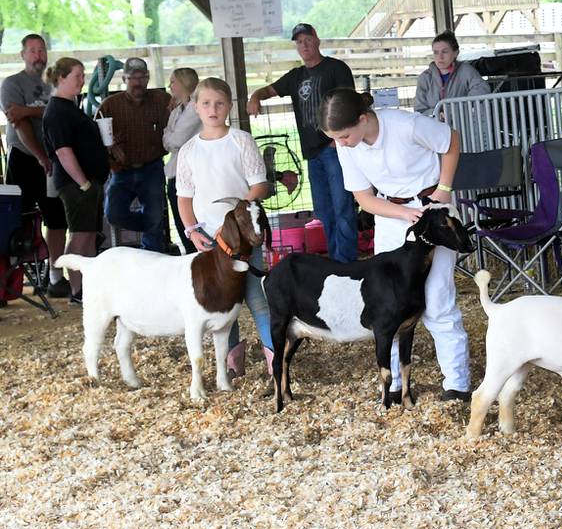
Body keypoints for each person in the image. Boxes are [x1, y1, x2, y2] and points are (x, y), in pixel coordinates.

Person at [322, 88, 471, 403]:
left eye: (344, 135)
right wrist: (402, 213)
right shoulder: (345, 146)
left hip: (433, 211)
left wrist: (443, 191)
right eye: (335, 137)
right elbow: (364, 198)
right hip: (392, 217)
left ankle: (457, 384)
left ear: (363, 119)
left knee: (437, 299)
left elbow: (451, 141)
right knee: (387, 303)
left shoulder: (404, 125)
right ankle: (390, 385)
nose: (340, 142)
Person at [175, 77, 273, 378]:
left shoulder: (240, 140)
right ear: (195, 107)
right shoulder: (188, 150)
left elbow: (260, 185)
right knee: (222, 303)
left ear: (229, 106)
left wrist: (241, 213)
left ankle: (275, 361)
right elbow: (184, 198)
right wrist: (192, 230)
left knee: (257, 297)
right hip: (212, 241)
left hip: (243, 238)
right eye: (205, 103)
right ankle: (231, 364)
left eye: (219, 103)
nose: (212, 109)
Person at [247, 23, 358, 264]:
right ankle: (335, 259)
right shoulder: (296, 76)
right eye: (299, 42)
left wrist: (337, 138)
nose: (304, 45)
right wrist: (255, 96)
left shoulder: (336, 68)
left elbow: (349, 103)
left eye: (307, 39)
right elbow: (269, 89)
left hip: (334, 148)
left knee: (342, 207)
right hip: (312, 152)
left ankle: (345, 261)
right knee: (324, 211)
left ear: (317, 40)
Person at [1, 33, 69, 297]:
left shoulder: (56, 82)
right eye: (32, 50)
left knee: (56, 217)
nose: (38, 55)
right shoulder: (12, 83)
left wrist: (29, 109)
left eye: (41, 50)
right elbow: (18, 122)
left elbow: (64, 111)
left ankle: (55, 276)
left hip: (54, 159)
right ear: (22, 55)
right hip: (24, 158)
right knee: (16, 220)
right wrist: (40, 156)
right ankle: (9, 282)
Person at [41, 58, 109, 304]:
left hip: (87, 181)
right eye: (77, 76)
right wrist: (83, 183)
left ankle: (86, 289)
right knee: (80, 236)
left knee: (89, 235)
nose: (83, 80)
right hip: (76, 184)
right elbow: (63, 151)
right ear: (61, 78)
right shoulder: (57, 110)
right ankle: (76, 290)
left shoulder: (70, 106)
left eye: (82, 75)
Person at [97, 57, 172, 253]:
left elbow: (181, 118)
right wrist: (110, 155)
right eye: (132, 78)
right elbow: (95, 136)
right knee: (113, 214)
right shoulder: (110, 105)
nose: (137, 82)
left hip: (153, 166)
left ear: (148, 78)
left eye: (142, 77)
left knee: (155, 215)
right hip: (122, 170)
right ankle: (152, 227)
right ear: (124, 79)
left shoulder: (163, 101)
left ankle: (153, 254)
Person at [163, 68, 202, 255]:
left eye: (173, 82)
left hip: (188, 173)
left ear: (183, 84)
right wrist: (169, 136)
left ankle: (196, 256)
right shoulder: (178, 110)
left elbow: (175, 140)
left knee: (188, 223)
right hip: (175, 171)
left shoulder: (195, 108)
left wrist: (168, 135)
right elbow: (168, 141)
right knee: (182, 223)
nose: (170, 86)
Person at [412, 30, 490, 118]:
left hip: (461, 126)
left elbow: (482, 88)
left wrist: (459, 107)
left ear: (456, 53)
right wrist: (437, 113)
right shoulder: (425, 77)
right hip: (434, 127)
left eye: (445, 52)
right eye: (436, 52)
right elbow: (419, 110)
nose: (440, 57)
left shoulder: (465, 70)